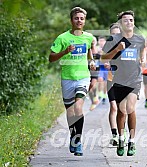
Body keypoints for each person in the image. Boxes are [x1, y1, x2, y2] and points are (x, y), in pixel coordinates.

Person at [49, 7, 95, 156]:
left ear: (84, 21)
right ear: (71, 20)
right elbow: (51, 58)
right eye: (76, 18)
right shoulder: (62, 38)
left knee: (78, 108)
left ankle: (78, 140)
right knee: (70, 112)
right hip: (67, 79)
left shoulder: (88, 37)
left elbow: (89, 51)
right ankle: (72, 135)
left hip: (83, 77)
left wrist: (92, 61)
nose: (79, 21)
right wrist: (65, 52)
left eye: (82, 18)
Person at [101, 10, 145, 156]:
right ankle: (121, 139)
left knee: (130, 108)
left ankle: (131, 142)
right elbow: (103, 58)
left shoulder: (140, 39)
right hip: (119, 79)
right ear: (120, 24)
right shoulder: (112, 40)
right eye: (125, 20)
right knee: (121, 112)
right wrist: (117, 50)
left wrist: (142, 60)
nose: (129, 22)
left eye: (131, 20)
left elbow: (142, 52)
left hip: (135, 79)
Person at [106, 23, 121, 146]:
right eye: (113, 34)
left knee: (123, 109)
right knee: (114, 107)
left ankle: (122, 133)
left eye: (117, 34)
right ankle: (114, 135)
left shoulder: (126, 46)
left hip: (124, 81)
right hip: (111, 79)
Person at [89, 36, 100, 111]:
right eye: (91, 41)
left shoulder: (98, 50)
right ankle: (93, 101)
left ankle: (96, 96)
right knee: (88, 88)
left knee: (92, 84)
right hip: (87, 70)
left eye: (93, 41)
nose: (92, 42)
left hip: (96, 70)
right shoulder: (87, 50)